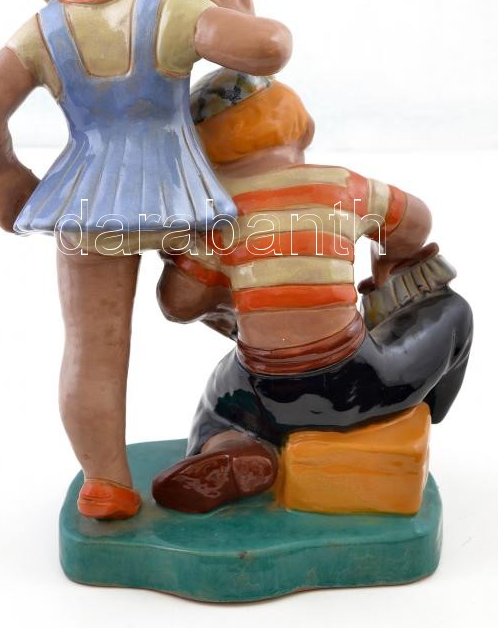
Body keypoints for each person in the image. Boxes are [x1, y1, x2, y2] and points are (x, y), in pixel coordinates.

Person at [0, 0, 292, 520]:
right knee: (245, 281)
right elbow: (272, 48)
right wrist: (240, 18)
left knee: (91, 347)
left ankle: (105, 481)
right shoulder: (173, 11)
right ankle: (272, 376)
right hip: (185, 204)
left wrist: (4, 173)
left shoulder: (44, 30)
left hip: (88, 204)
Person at [153, 67, 473, 513]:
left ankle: (230, 446)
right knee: (452, 310)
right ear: (302, 125)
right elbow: (416, 224)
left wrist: (182, 255)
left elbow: (178, 304)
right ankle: (412, 409)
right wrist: (385, 254)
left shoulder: (218, 215)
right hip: (356, 385)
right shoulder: (342, 185)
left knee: (219, 402)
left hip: (263, 387)